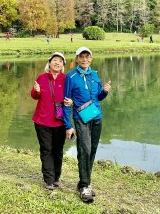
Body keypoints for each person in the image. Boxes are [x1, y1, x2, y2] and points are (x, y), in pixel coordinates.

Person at [63, 46, 112, 202]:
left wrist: (104, 91)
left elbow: (98, 97)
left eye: (87, 57)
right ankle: (85, 186)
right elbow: (65, 102)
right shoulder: (70, 77)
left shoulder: (94, 75)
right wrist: (68, 125)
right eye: (81, 57)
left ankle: (84, 182)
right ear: (77, 59)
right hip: (80, 117)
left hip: (96, 116)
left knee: (92, 150)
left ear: (91, 59)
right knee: (85, 149)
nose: (85, 59)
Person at [30, 52, 72, 190]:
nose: (57, 63)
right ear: (49, 63)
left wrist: (72, 101)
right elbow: (34, 96)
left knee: (58, 150)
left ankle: (56, 177)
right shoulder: (41, 78)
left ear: (63, 65)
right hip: (42, 121)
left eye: (60, 61)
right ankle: (48, 180)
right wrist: (36, 91)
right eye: (55, 60)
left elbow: (73, 97)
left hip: (59, 122)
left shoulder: (66, 80)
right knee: (46, 149)